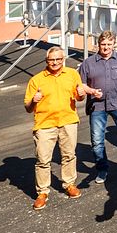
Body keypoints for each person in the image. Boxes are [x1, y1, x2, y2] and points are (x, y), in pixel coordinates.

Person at [24, 46, 85, 210]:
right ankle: (42, 192)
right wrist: (34, 100)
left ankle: (69, 184)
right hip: (45, 124)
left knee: (69, 155)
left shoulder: (72, 74)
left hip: (68, 121)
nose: (55, 62)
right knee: (43, 159)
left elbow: (79, 97)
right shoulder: (36, 80)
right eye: (52, 60)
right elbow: (28, 107)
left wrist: (82, 94)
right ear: (46, 61)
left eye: (58, 59)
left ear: (63, 59)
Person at [80, 30, 117, 183]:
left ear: (114, 44)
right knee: (97, 140)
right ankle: (102, 169)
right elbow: (82, 84)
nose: (106, 47)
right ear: (98, 44)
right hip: (97, 105)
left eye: (109, 44)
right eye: (103, 44)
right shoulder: (88, 63)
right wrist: (91, 91)